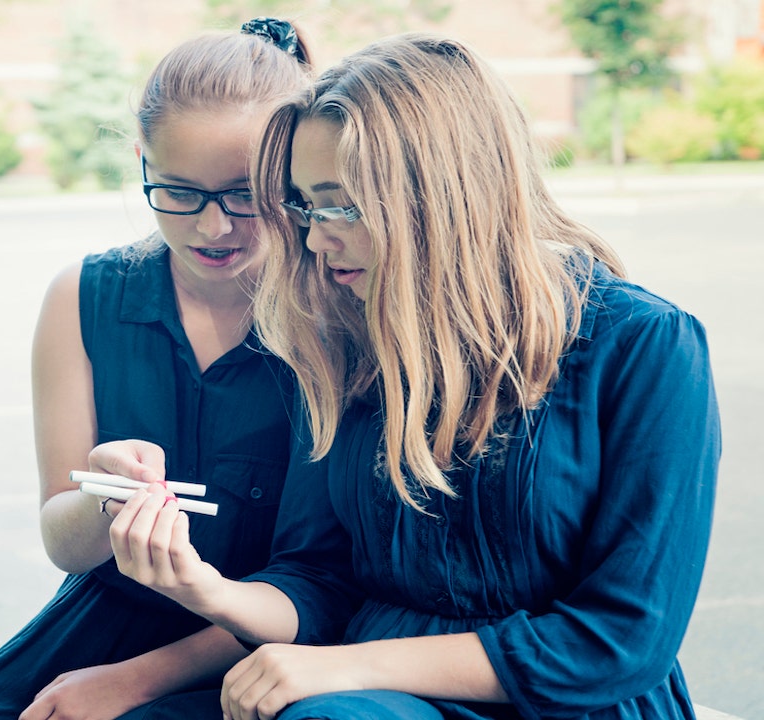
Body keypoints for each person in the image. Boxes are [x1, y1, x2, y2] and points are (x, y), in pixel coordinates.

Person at [95, 32, 721, 720]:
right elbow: (317, 582)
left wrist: (347, 667)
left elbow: (618, 640)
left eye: (340, 205)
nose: (312, 237)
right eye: (306, 205)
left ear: (444, 195)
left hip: (554, 704)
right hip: (363, 694)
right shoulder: (343, 336)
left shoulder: (643, 345)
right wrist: (204, 588)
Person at [0, 18, 314, 720]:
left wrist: (136, 682)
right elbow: (63, 545)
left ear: (292, 174)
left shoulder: (331, 308)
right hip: (105, 620)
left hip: (261, 639)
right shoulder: (83, 297)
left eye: (245, 194)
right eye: (178, 190)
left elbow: (327, 581)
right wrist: (102, 493)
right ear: (141, 161)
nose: (212, 227)